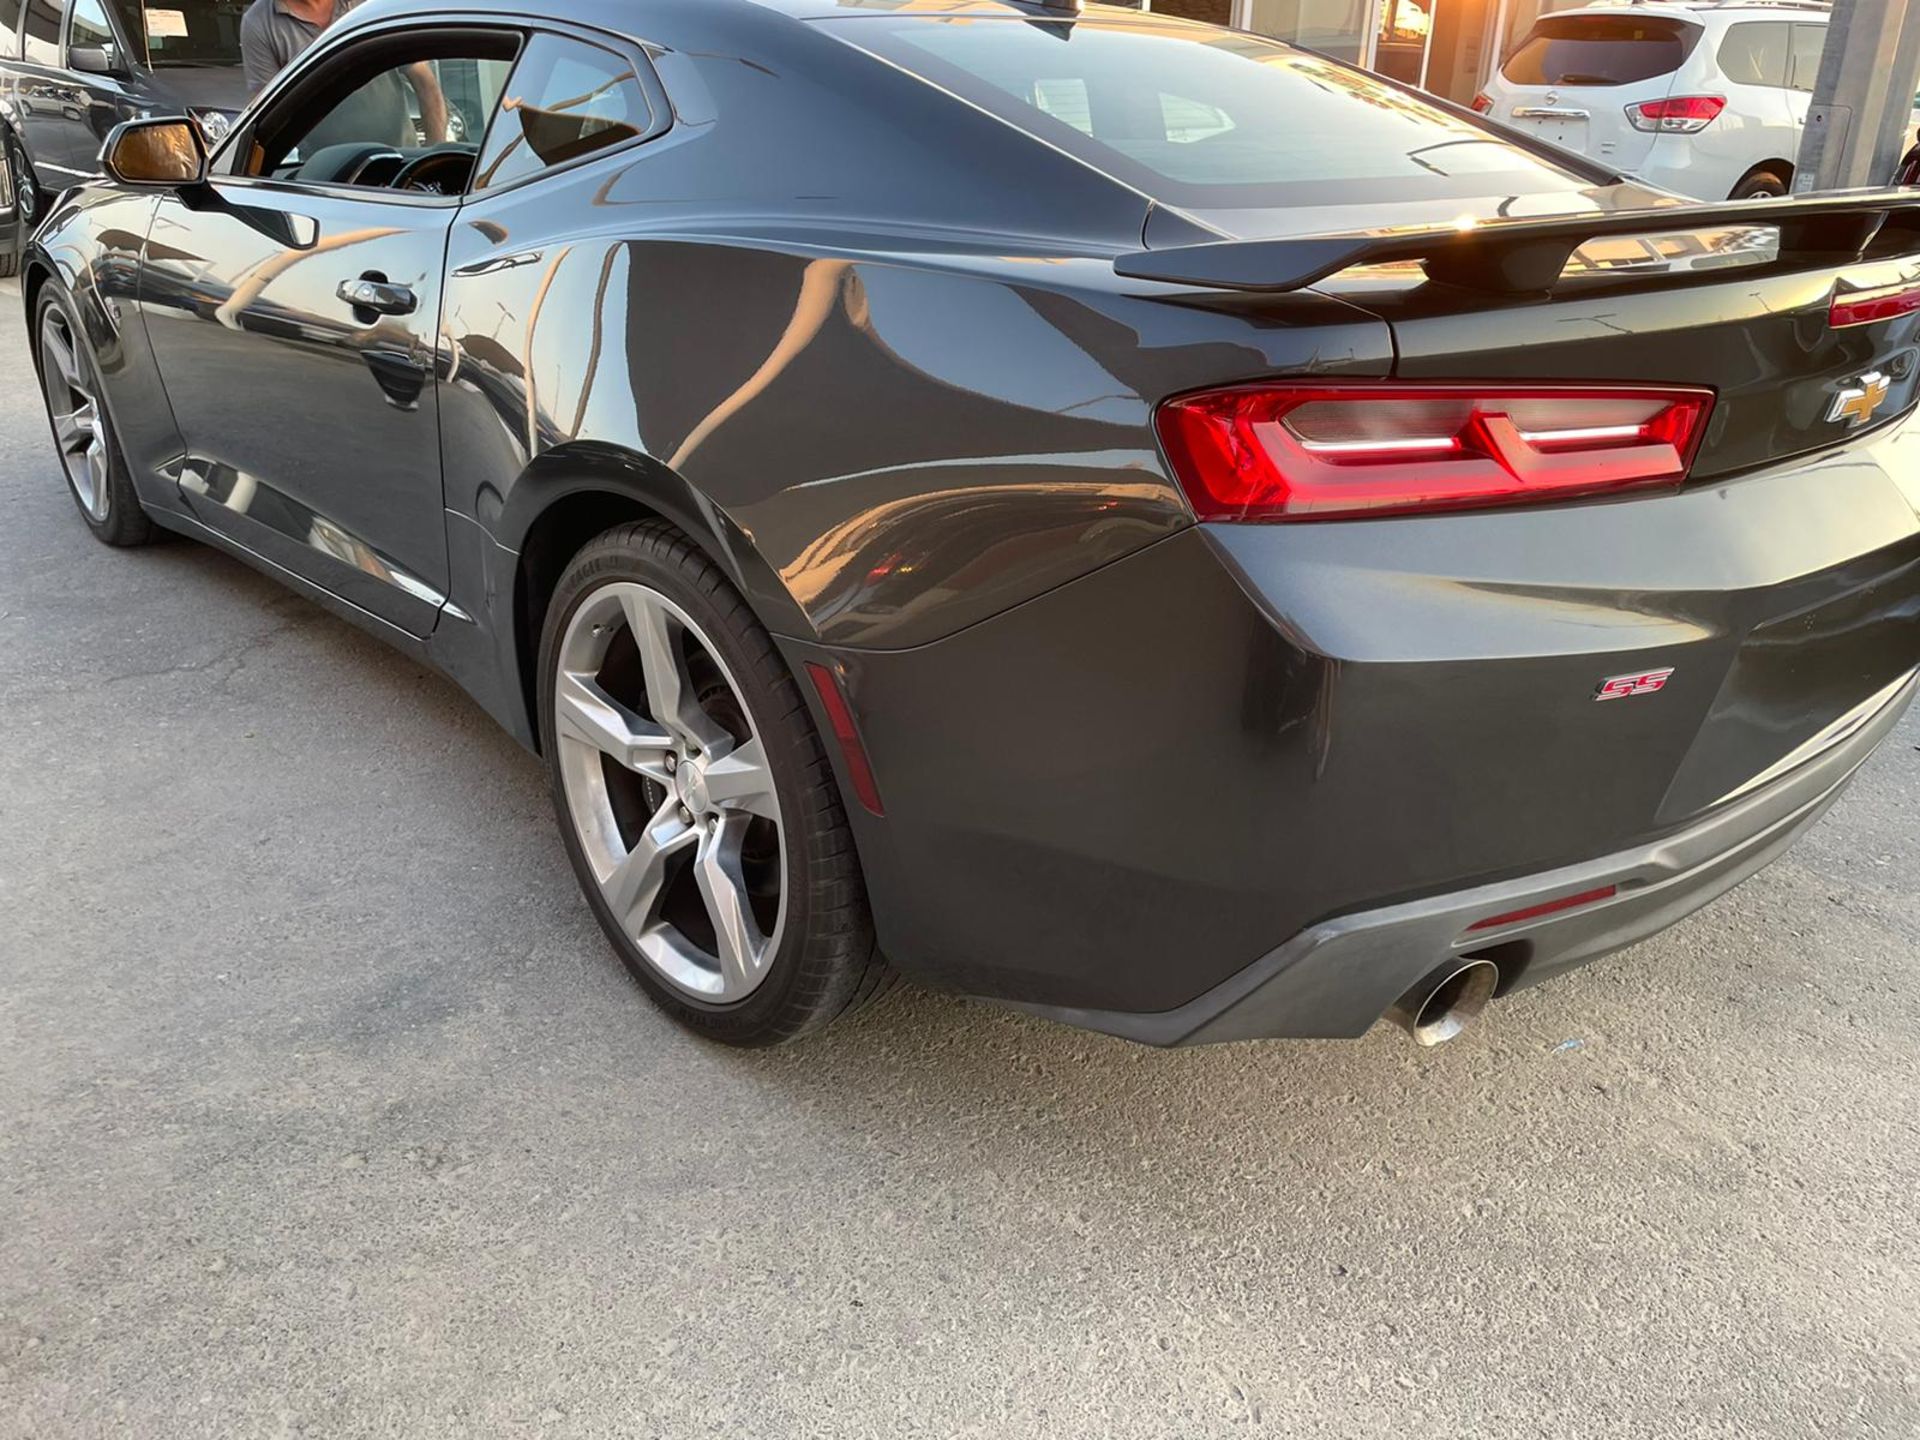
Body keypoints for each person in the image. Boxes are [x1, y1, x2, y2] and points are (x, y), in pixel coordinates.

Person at [240, 0, 448, 149]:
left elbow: (425, 83)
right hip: (330, 178)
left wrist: (435, 152)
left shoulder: (370, 4)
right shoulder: (259, 22)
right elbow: (268, 114)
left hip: (401, 162)